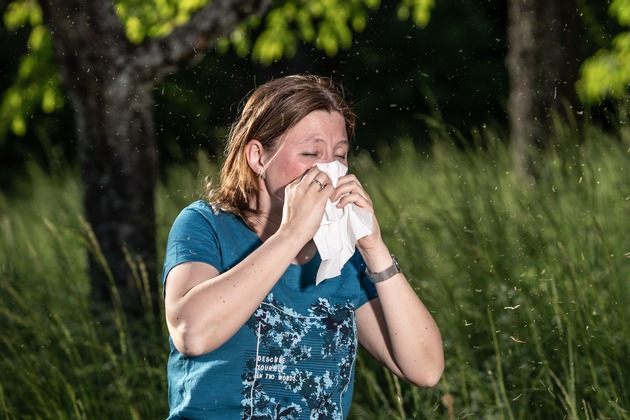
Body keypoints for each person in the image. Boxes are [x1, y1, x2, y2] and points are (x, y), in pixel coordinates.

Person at [162, 74, 443, 419]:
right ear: (257, 157)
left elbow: (425, 369)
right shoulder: (206, 224)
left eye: (339, 155)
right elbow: (192, 334)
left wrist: (374, 248)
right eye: (310, 153)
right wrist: (292, 233)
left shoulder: (343, 252)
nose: (329, 169)